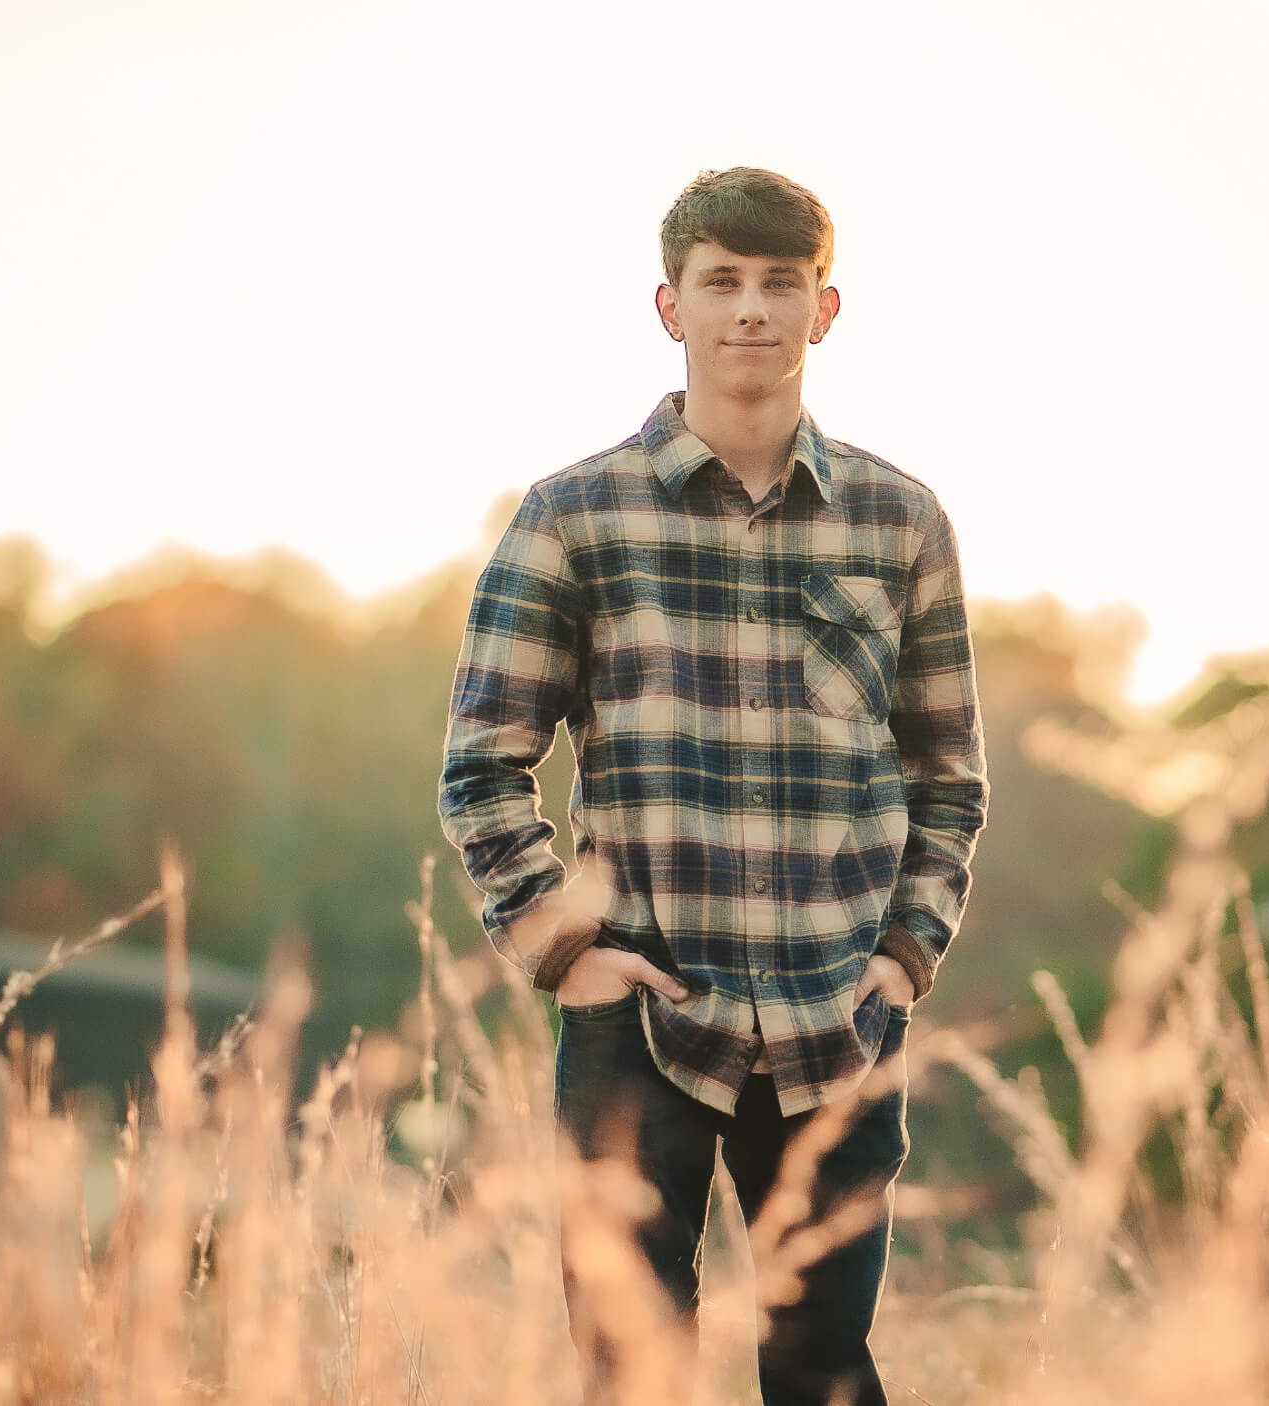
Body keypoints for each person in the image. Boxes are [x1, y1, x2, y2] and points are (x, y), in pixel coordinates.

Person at [438, 166, 987, 1406]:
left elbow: (946, 770)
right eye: (722, 282)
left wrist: (902, 955)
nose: (751, 310)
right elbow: (482, 761)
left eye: (779, 285)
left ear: (825, 309)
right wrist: (564, 951)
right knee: (631, 1371)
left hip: (835, 1018)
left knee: (823, 1369)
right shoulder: (573, 517)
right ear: (668, 305)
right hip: (639, 1018)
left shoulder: (902, 523)